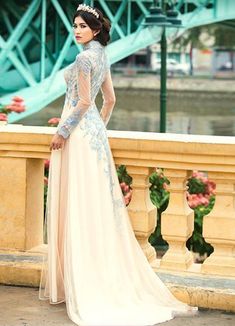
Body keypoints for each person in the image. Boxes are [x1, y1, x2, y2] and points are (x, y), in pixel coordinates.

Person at [39, 3, 198, 326]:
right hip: (94, 137)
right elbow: (108, 100)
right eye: (74, 25)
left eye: (82, 26)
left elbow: (83, 101)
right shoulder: (102, 56)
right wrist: (98, 127)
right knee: (93, 206)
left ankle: (80, 281)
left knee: (78, 205)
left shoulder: (85, 58)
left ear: (96, 30)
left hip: (78, 137)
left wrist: (63, 131)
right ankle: (90, 275)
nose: (76, 30)